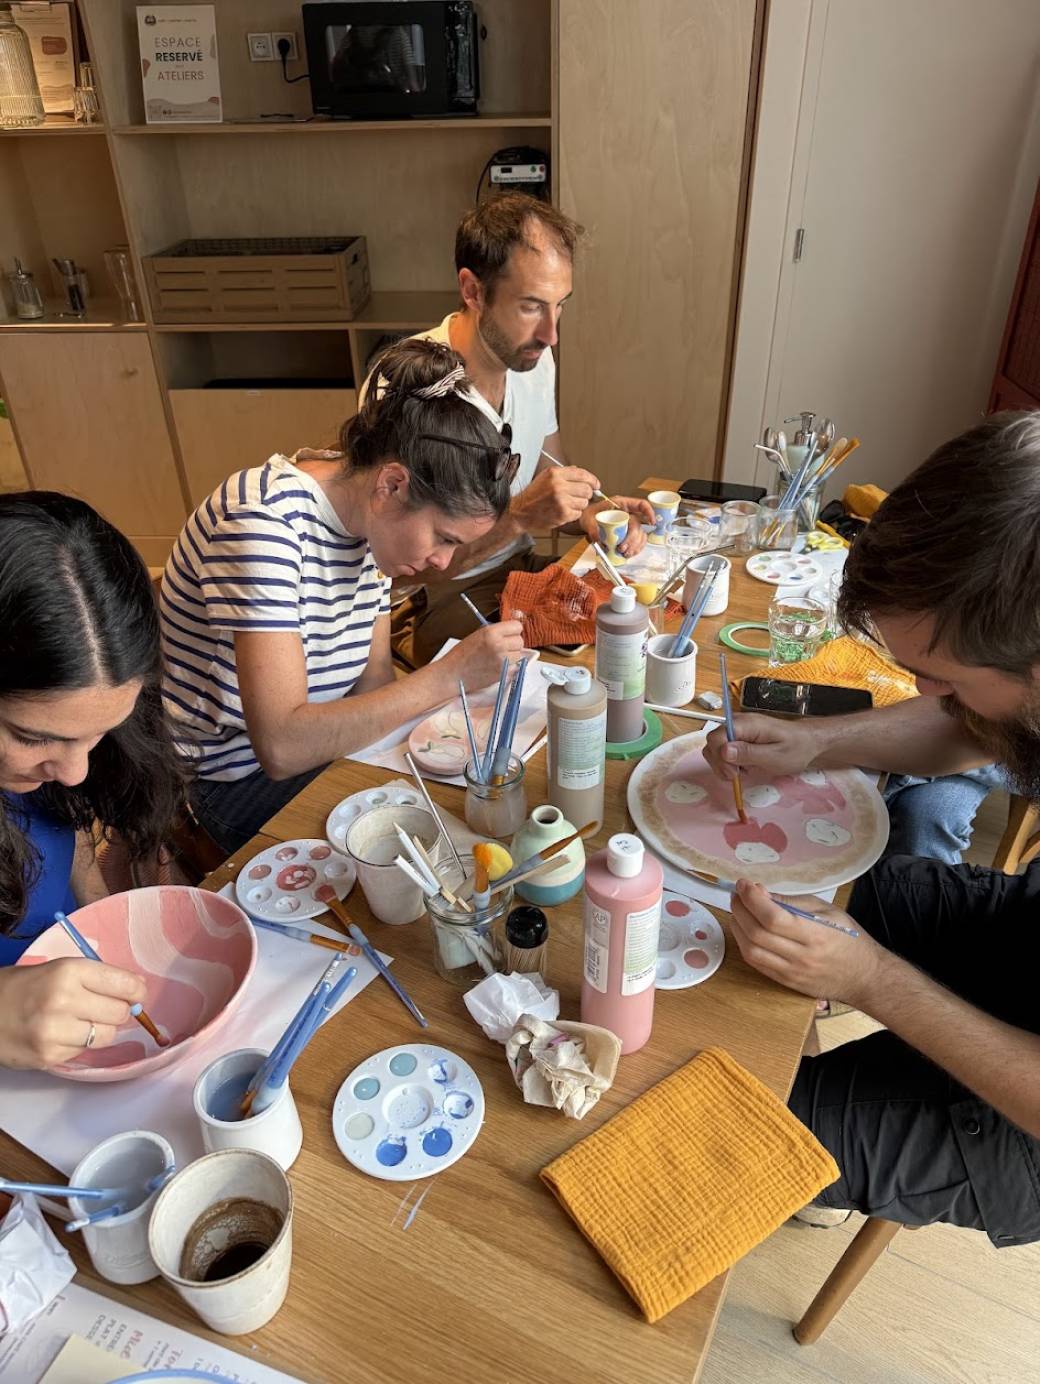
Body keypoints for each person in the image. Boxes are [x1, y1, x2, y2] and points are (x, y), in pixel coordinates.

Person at [704, 411, 1040, 1244]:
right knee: (790, 886)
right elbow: (976, 724)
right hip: (1023, 934)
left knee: (714, 1116)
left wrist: (874, 982)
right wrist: (815, 743)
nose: (925, 693)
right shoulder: (1016, 684)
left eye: (940, 676)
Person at [160, 339, 524, 855]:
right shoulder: (265, 526)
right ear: (392, 484)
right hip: (226, 783)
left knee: (473, 811)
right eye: (443, 537)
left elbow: (372, 684)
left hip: (321, 748)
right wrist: (448, 677)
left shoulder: (371, 525)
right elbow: (282, 747)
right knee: (419, 855)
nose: (443, 563)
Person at [375, 192, 656, 664]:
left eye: (559, 305)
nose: (551, 335)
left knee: (639, 621)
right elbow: (402, 575)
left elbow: (550, 472)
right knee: (591, 669)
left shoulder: (533, 359)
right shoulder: (410, 385)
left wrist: (587, 512)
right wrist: (520, 516)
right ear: (473, 290)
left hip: (517, 569)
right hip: (437, 597)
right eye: (531, 306)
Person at [0, 492, 184, 1070]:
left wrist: (98, 910)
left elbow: (64, 819)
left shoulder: (54, 768)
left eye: (99, 734)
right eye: (33, 738)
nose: (75, 771)